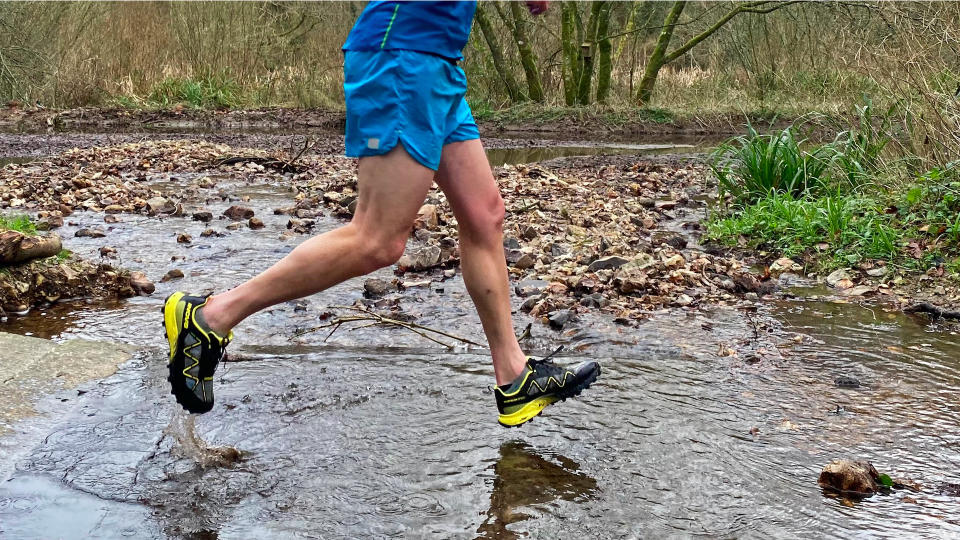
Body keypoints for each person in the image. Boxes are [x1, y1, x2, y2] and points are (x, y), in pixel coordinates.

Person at [161, 0, 599, 427]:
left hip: (437, 61)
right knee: (377, 240)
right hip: (401, 58)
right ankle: (210, 318)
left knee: (485, 215)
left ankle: (514, 374)